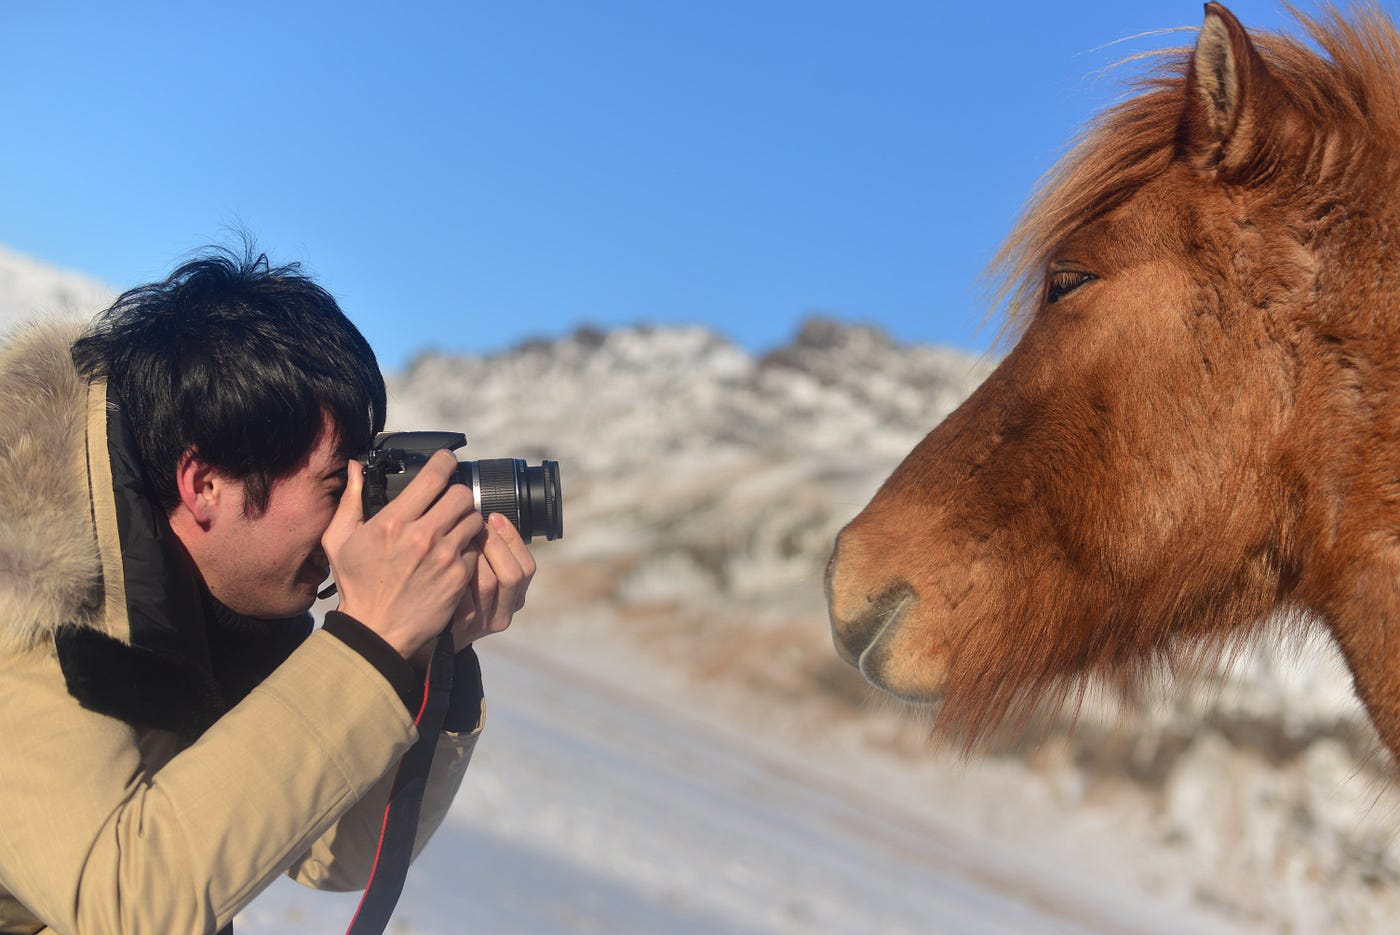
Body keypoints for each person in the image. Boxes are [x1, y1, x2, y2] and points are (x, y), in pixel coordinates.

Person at [0, 246, 535, 934]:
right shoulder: (32, 595)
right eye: (335, 490)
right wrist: (365, 643)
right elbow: (132, 900)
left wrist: (427, 656)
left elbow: (328, 851)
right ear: (206, 484)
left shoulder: (192, 587)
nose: (353, 524)